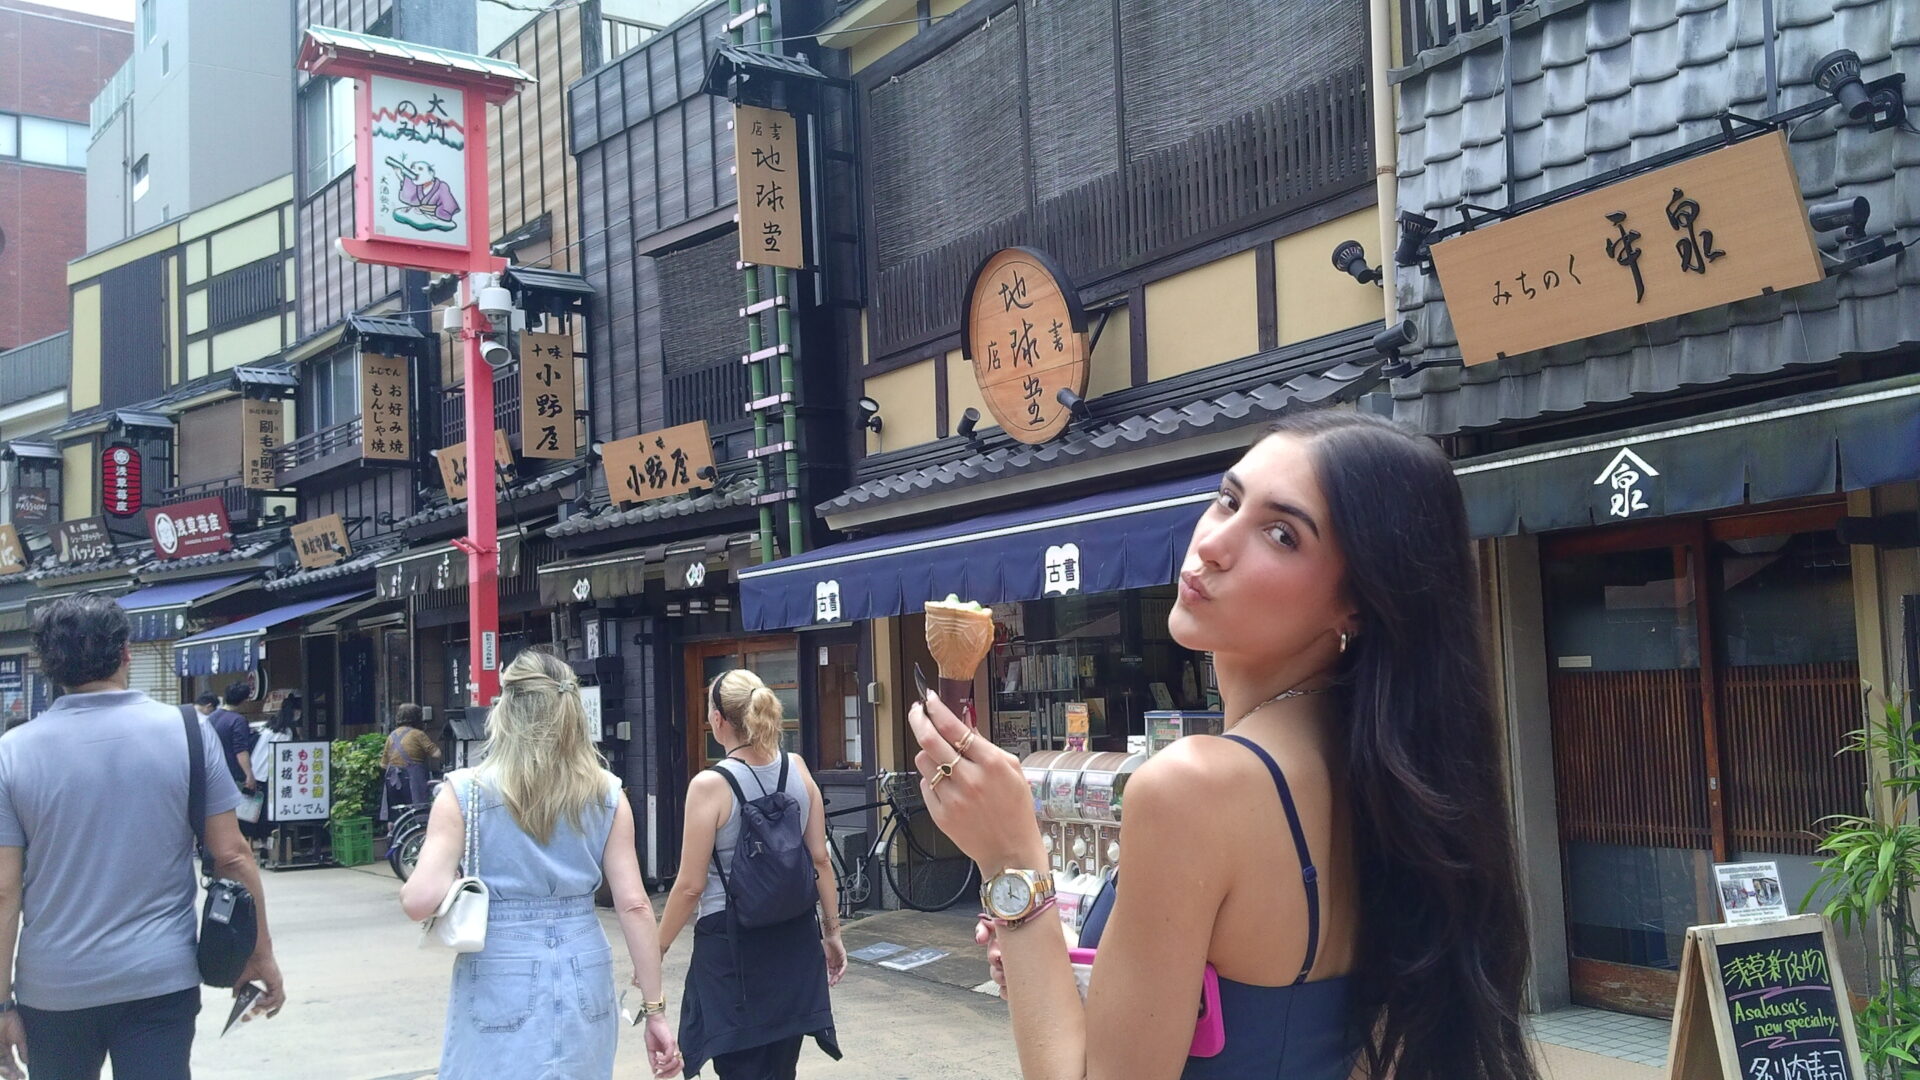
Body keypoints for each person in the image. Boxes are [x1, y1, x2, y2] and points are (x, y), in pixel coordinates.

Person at [910, 412, 1537, 1080]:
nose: (1213, 544)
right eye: (1228, 501)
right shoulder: (1382, 777)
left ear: (1355, 604)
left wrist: (1011, 861)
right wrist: (1056, 965)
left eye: (1281, 534)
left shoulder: (1195, 786)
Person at [0, 596, 286, 1080]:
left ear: (49, 665)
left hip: (54, 989)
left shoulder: (12, 752)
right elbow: (233, 856)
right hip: (159, 978)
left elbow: (5, 890)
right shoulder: (189, 732)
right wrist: (258, 953)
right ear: (126, 653)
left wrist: (2, 1004)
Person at [400, 649, 679, 1080]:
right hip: (584, 960)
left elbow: (419, 901)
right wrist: (655, 1011)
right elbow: (635, 906)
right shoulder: (607, 793)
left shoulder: (464, 792)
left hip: (499, 962)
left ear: (504, 711)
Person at [657, 669, 845, 1080]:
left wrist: (656, 949)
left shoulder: (710, 784)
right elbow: (820, 860)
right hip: (795, 941)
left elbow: (689, 887)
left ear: (720, 720)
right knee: (781, 1069)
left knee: (739, 1067)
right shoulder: (797, 769)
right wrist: (832, 933)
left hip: (733, 950)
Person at [382, 702, 440, 823]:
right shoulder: (418, 734)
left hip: (392, 780)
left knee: (395, 815)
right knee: (418, 812)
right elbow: (437, 754)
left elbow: (383, 764)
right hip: (412, 779)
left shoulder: (391, 736)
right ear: (417, 717)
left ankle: (392, 836)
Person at [199, 686, 254, 796]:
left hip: (212, 772)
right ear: (244, 701)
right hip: (233, 774)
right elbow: (241, 750)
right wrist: (249, 774)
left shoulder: (211, 717)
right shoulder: (238, 720)